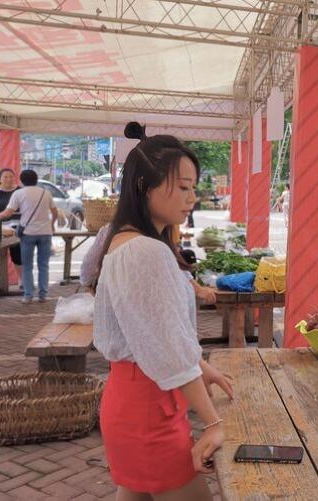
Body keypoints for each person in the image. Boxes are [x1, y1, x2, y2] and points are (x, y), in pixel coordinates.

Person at [93, 122, 234, 500]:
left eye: (194, 187)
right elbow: (168, 349)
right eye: (183, 187)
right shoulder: (145, 251)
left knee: (135, 493)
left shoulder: (126, 240)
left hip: (135, 399)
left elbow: (151, 333)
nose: (192, 197)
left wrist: (203, 368)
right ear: (145, 187)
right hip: (148, 409)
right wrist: (214, 422)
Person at [79, 223, 217, 305]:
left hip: (117, 307)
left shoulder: (109, 229)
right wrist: (197, 289)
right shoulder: (155, 234)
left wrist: (93, 288)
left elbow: (86, 273)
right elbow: (174, 267)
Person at [0, 169, 58, 303]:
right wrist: (52, 225)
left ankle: (28, 296)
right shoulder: (45, 193)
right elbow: (54, 212)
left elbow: (7, 212)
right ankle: (42, 295)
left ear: (21, 180)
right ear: (36, 179)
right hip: (45, 233)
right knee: (43, 265)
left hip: (27, 234)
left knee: (27, 265)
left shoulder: (19, 193)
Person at [0, 169, 22, 288]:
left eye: (11, 176)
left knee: (19, 253)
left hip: (18, 228)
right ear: (0, 178)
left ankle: (22, 281)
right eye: (5, 177)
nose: (9, 179)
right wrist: (0, 227)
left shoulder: (20, 191)